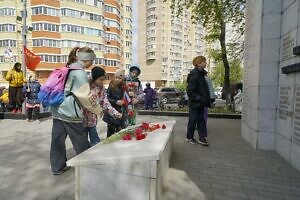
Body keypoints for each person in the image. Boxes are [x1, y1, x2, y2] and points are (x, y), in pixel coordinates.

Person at [50, 47, 101, 175]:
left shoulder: (67, 68)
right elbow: (85, 96)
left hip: (57, 109)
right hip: (70, 112)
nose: (92, 63)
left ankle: (58, 167)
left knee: (57, 141)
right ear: (87, 59)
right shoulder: (79, 73)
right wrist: (97, 109)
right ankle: (88, 167)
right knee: (80, 140)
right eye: (92, 60)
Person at [83, 67, 122, 145]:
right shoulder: (84, 85)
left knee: (95, 141)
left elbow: (105, 102)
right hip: (80, 120)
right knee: (82, 143)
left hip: (92, 120)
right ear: (94, 78)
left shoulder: (101, 88)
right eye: (100, 79)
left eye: (103, 79)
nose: (102, 82)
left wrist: (115, 113)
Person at [186, 56, 210, 146]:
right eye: (204, 61)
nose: (205, 63)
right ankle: (189, 137)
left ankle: (202, 138)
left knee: (201, 120)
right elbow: (190, 91)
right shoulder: (194, 75)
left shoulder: (201, 74)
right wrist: (200, 99)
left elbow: (203, 89)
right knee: (193, 120)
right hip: (194, 103)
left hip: (201, 103)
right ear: (199, 63)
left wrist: (206, 99)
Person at [103, 69, 128, 137]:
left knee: (119, 133)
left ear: (122, 79)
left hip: (120, 113)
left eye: (119, 78)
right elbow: (106, 98)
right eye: (116, 77)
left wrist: (124, 101)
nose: (117, 79)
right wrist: (116, 102)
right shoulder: (111, 86)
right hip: (111, 113)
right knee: (110, 133)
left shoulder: (124, 86)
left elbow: (127, 98)